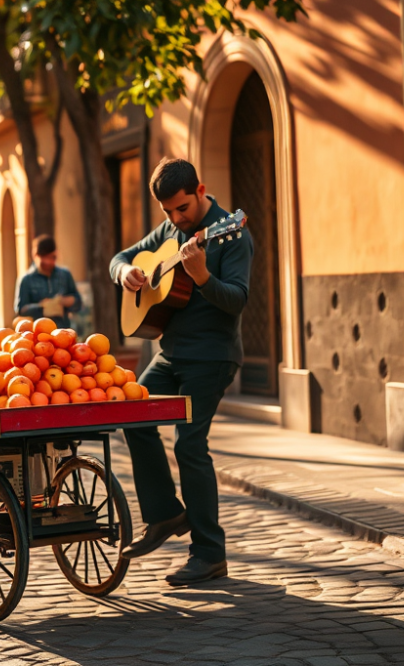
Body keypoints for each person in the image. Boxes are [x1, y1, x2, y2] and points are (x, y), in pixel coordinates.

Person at [109, 157, 253, 587]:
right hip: (171, 354)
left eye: (182, 209)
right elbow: (122, 256)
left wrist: (203, 276)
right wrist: (126, 273)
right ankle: (165, 514)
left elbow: (238, 300)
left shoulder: (232, 233)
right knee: (130, 414)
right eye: (168, 212)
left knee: (190, 445)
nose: (176, 218)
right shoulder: (170, 230)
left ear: (201, 189)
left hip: (212, 356)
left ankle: (209, 553)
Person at [14, 234, 82, 328]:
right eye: (43, 258)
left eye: (51, 258)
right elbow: (21, 310)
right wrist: (42, 307)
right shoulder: (26, 280)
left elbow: (78, 303)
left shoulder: (65, 275)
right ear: (35, 256)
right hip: (38, 333)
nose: (48, 262)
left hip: (63, 331)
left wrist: (63, 301)